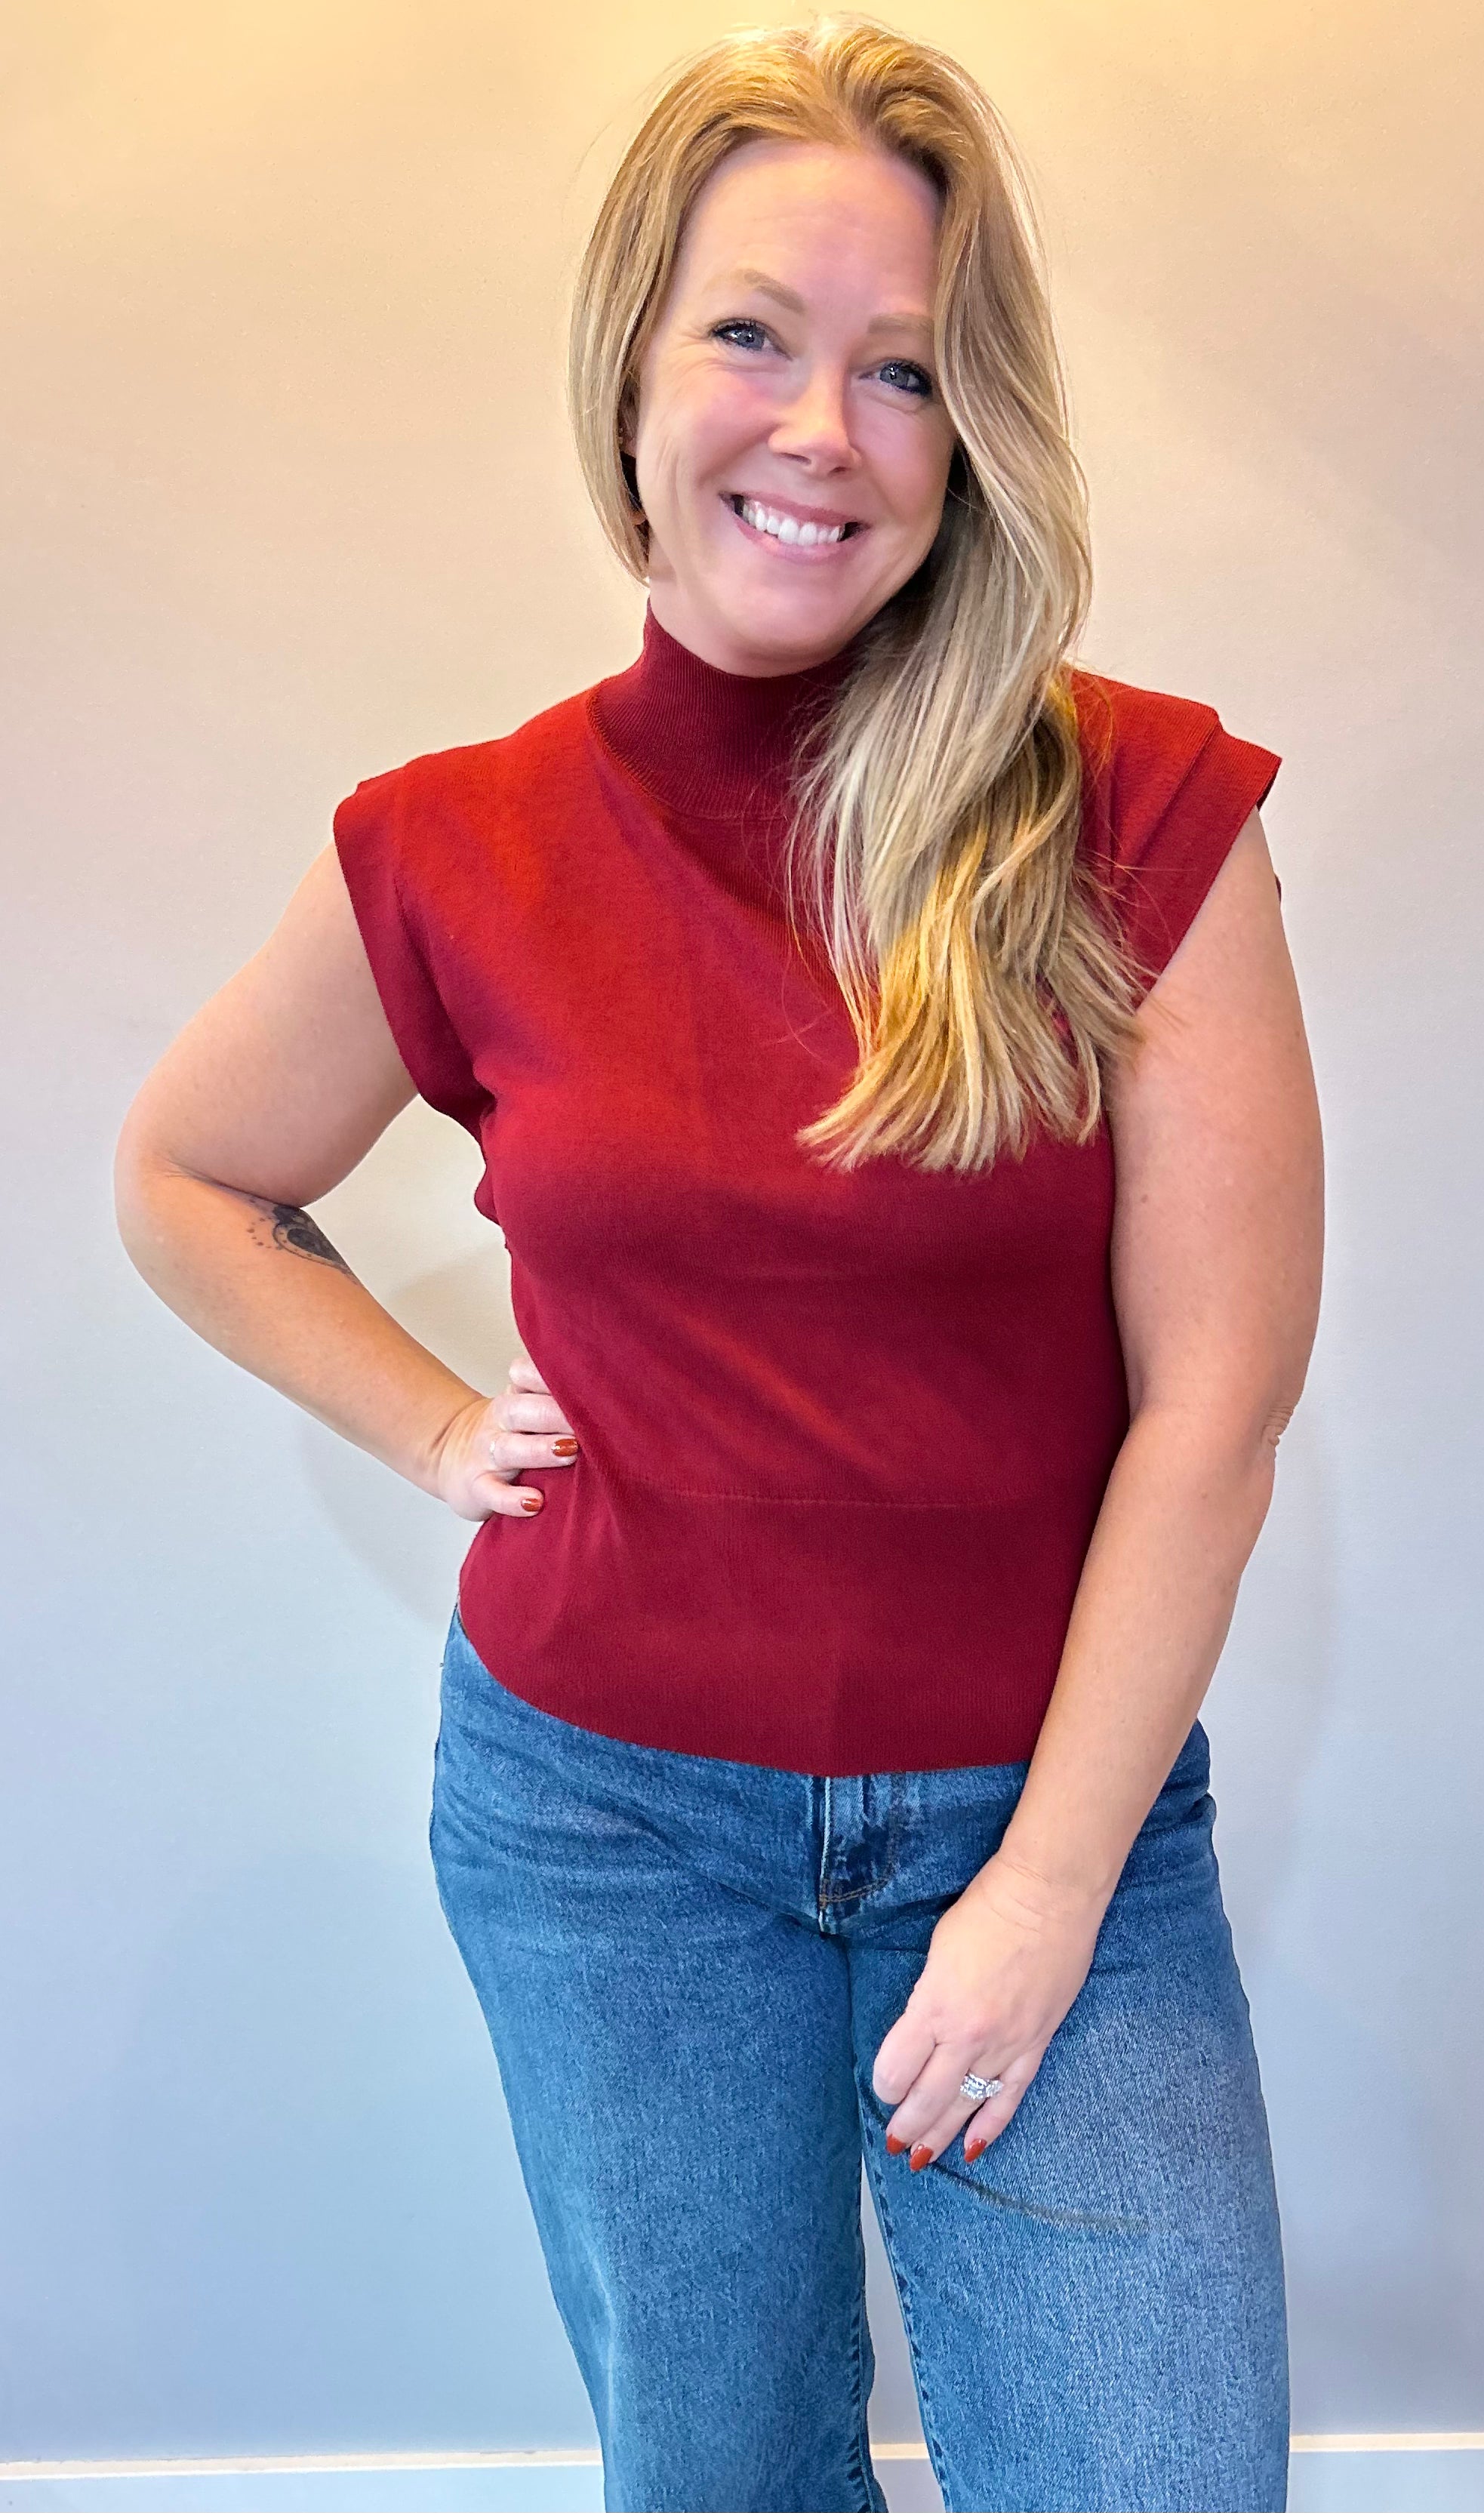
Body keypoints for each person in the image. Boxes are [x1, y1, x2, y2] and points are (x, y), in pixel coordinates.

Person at [113, 15, 1322, 2511]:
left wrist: (1047, 1889)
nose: (822, 427)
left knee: (1154, 2472)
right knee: (727, 2466)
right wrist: (438, 1421)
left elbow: (1212, 1400)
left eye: (903, 367)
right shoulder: (452, 846)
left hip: (1046, 1814)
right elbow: (190, 1175)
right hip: (603, 1832)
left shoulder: (1136, 811)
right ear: (633, 368)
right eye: (753, 334)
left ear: (971, 422)